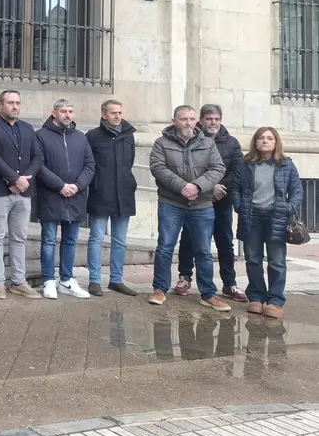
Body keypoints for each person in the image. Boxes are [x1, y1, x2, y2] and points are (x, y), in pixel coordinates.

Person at [148, 105, 229, 311]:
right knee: (165, 247)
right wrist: (182, 186)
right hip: (171, 203)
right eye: (184, 119)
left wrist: (197, 186)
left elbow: (218, 168)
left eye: (192, 119)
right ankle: (159, 289)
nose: (189, 123)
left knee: (203, 250)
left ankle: (208, 294)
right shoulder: (161, 143)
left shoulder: (208, 143)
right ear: (174, 120)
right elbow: (158, 168)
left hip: (201, 204)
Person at [174, 104, 247, 302]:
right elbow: (189, 169)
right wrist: (206, 187)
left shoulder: (231, 143)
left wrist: (218, 187)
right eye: (209, 119)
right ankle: (185, 277)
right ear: (201, 120)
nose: (213, 122)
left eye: (216, 119)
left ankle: (229, 283)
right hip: (196, 199)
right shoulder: (193, 140)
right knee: (189, 238)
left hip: (222, 199)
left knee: (225, 242)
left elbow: (237, 171)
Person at [232, 127, 302, 320]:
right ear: (255, 142)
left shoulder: (286, 165)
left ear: (276, 142)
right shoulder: (244, 164)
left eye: (269, 138)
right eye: (261, 138)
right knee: (253, 259)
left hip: (276, 217)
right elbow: (235, 188)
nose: (265, 141)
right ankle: (255, 297)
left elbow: (296, 191)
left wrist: (287, 208)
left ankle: (275, 301)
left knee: (277, 261)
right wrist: (239, 206)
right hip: (251, 217)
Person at [0, 90, 42, 299]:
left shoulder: (27, 128)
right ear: (0, 105)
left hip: (24, 192)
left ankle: (18, 281)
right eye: (10, 103)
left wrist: (25, 179)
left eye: (17, 103)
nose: (15, 106)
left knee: (19, 238)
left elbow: (37, 157)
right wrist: (14, 179)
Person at [36, 99, 94, 300]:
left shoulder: (81, 138)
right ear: (54, 113)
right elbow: (39, 166)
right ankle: (48, 280)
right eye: (63, 111)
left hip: (76, 197)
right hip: (51, 195)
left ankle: (67, 280)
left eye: (70, 111)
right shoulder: (41, 136)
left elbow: (89, 165)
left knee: (71, 240)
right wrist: (60, 186)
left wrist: (77, 186)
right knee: (49, 240)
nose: (68, 115)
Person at [85, 100, 138, 297]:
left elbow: (129, 162)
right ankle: (95, 280)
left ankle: (116, 279)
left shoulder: (128, 135)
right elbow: (89, 164)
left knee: (120, 240)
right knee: (96, 238)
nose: (117, 116)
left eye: (120, 113)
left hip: (124, 193)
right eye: (113, 113)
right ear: (104, 115)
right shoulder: (93, 136)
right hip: (101, 193)